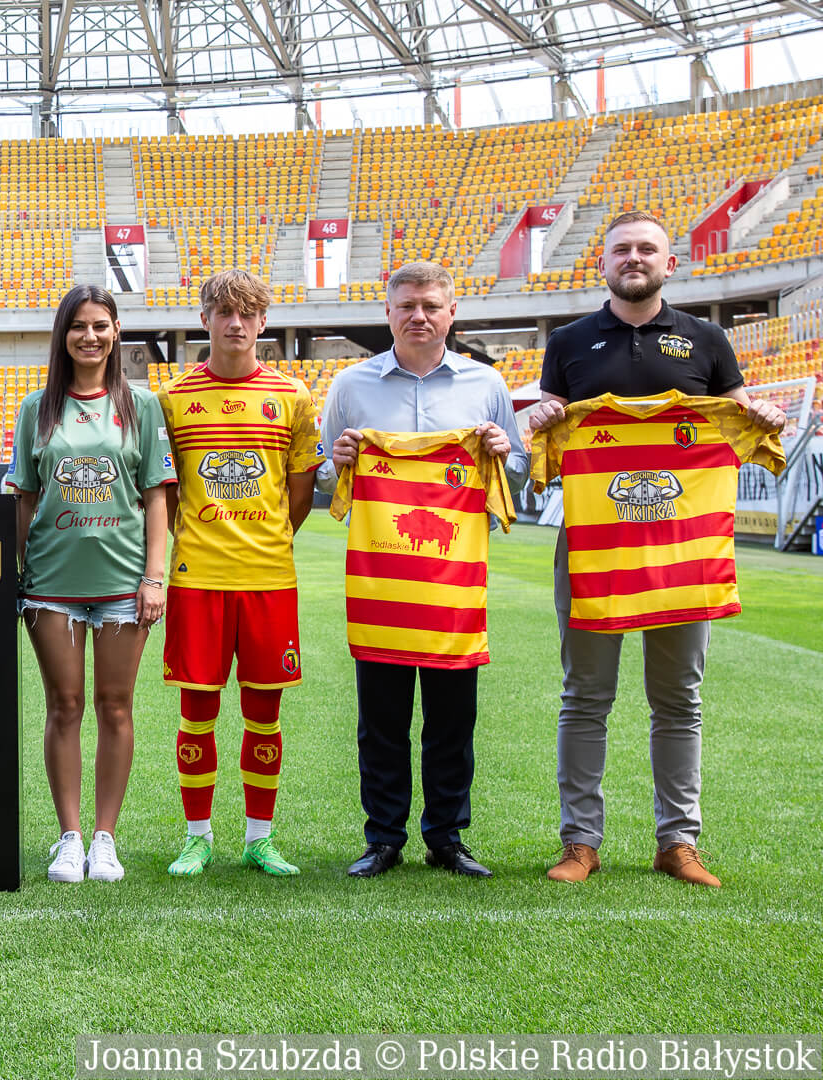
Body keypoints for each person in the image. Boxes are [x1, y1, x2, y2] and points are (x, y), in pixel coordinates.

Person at [524, 211, 784, 888]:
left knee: (678, 699)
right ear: (602, 263)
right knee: (586, 696)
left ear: (670, 263)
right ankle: (580, 842)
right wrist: (542, 416)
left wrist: (765, 417)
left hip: (682, 547)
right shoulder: (569, 342)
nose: (633, 258)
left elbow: (741, 422)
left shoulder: (708, 340)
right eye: (622, 249)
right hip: (593, 544)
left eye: (647, 249)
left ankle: (679, 842)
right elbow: (543, 438)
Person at [318, 261, 525, 880]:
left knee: (452, 722)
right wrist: (339, 461)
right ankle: (383, 837)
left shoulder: (486, 384)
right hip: (381, 583)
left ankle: (447, 837)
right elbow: (326, 479)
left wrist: (502, 454)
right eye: (407, 305)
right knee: (380, 722)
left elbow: (517, 476)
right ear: (387, 312)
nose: (419, 316)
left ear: (451, 313)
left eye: (431, 306)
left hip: (453, 586)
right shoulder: (350, 385)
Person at [6, 285, 174, 883]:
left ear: (116, 331)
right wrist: (17, 574)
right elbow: (24, 499)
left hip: (125, 583)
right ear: (63, 334)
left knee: (116, 706)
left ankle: (105, 838)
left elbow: (157, 498)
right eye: (78, 325)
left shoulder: (142, 406)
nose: (90, 336)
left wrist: (155, 578)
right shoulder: (36, 408)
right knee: (64, 706)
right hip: (50, 583)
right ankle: (69, 837)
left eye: (100, 325)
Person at [156, 268, 320, 879]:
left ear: (262, 321)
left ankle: (259, 838)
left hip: (268, 579)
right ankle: (197, 837)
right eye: (224, 312)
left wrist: (266, 539)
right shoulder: (172, 399)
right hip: (197, 580)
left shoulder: (293, 397)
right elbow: (166, 494)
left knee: (264, 715)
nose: (236, 323)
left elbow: (299, 493)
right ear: (205, 319)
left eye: (247, 313)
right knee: (196, 714)